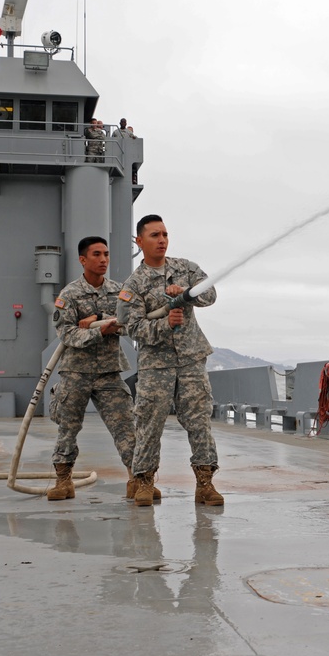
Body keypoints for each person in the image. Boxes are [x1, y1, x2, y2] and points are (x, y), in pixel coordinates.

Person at [116, 214, 222, 507]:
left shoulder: (185, 268)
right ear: (139, 241)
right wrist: (166, 323)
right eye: (154, 235)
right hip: (156, 364)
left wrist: (187, 295)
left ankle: (205, 484)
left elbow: (210, 293)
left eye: (164, 234)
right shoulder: (133, 284)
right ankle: (144, 482)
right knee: (149, 423)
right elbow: (132, 327)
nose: (161, 240)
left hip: (190, 358)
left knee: (199, 420)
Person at [48, 236, 159, 503]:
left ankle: (138, 480)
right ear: (83, 260)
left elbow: (130, 321)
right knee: (68, 427)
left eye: (106, 254)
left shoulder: (119, 292)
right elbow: (67, 334)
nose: (103, 260)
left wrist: (98, 320)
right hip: (76, 372)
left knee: (125, 427)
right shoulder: (70, 295)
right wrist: (99, 333)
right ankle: (64, 481)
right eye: (96, 254)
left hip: (110, 371)